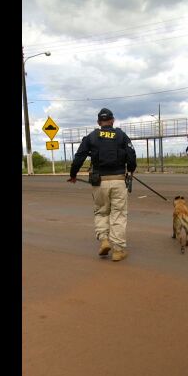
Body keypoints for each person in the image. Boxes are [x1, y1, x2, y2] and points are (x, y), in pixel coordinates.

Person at [67, 108, 137, 262]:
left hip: (99, 182)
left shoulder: (91, 137)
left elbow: (79, 157)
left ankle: (104, 240)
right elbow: (132, 156)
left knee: (101, 211)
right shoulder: (121, 135)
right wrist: (131, 171)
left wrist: (73, 175)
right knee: (118, 214)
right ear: (112, 120)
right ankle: (118, 250)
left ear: (99, 122)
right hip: (119, 180)